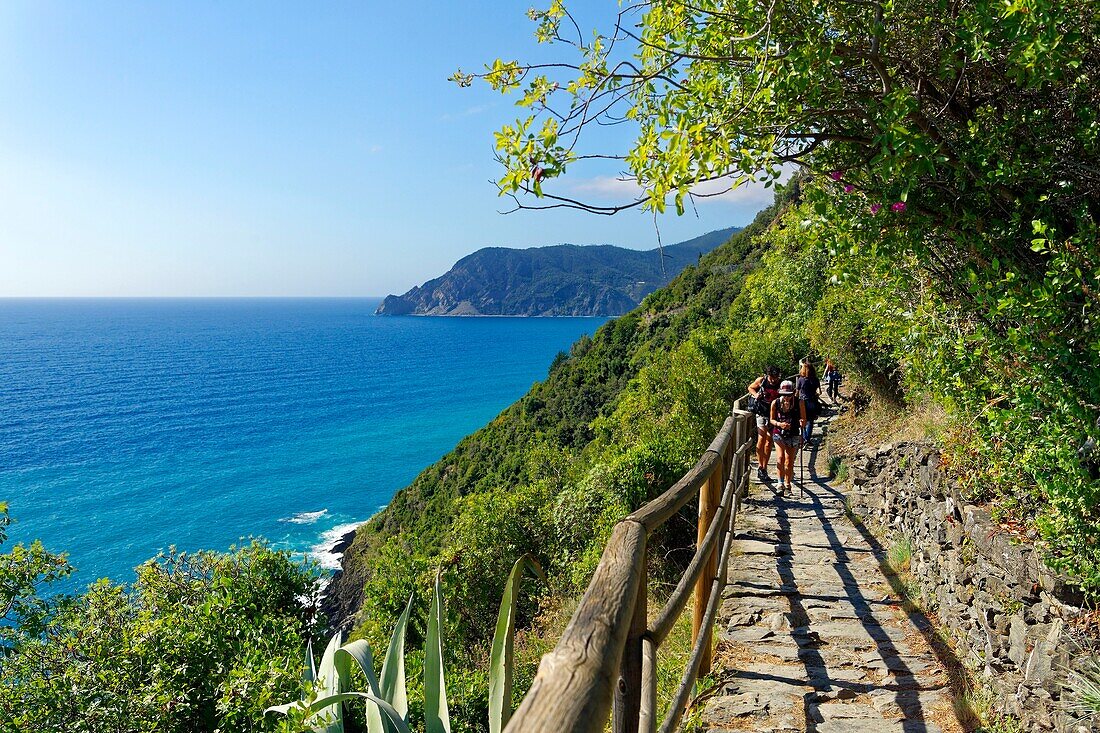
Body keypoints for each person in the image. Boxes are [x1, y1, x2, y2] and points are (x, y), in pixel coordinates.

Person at [770, 380, 806, 493]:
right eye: (784, 395)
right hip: (778, 432)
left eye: (789, 395)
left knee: (789, 461)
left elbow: (804, 420)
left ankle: (787, 483)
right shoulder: (775, 403)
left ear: (793, 393)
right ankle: (780, 484)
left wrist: (802, 422)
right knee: (780, 457)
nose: (786, 397)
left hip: (793, 433)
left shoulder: (799, 403)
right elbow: (771, 420)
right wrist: (780, 424)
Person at [747, 366, 783, 481]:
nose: (773, 380)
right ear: (768, 375)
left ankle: (764, 468)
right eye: (772, 378)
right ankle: (760, 466)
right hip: (762, 413)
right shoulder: (761, 381)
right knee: (761, 439)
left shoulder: (780, 384)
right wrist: (756, 395)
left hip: (774, 415)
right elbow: (750, 388)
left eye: (776, 378)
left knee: (769, 442)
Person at [796, 359, 822, 449]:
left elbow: (797, 392)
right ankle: (807, 439)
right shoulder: (815, 379)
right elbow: (820, 392)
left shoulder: (800, 380)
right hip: (812, 401)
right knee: (810, 421)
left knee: (802, 420)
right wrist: (815, 394)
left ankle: (804, 439)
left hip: (802, 402)